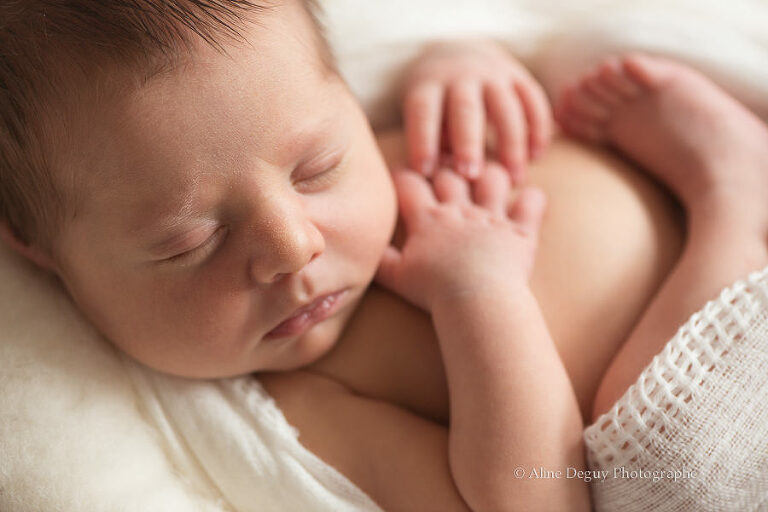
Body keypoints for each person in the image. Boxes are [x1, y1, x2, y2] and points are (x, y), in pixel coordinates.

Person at [6, 0, 761, 509]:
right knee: (685, 473)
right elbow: (537, 495)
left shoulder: (395, 131)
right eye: (191, 243)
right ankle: (735, 202)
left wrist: (468, 69)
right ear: (42, 253)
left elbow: (496, 64)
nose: (292, 246)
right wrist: (482, 298)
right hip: (733, 397)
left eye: (318, 167)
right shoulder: (306, 401)